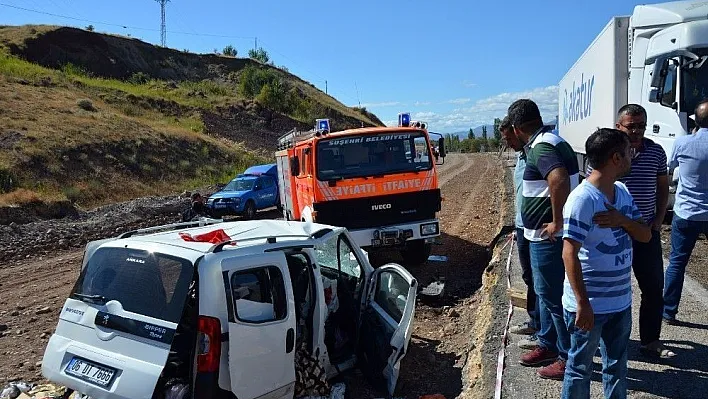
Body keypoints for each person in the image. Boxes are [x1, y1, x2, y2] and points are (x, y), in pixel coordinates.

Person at [561, 128, 652, 399]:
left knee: (616, 366)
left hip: (620, 303)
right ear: (615, 158)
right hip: (590, 306)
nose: (631, 156)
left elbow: (645, 235)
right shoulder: (582, 199)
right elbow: (569, 254)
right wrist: (582, 304)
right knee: (580, 368)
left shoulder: (621, 192)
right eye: (628, 152)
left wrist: (622, 220)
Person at [587, 104, 673, 358]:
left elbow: (662, 187)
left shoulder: (656, 153)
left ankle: (650, 340)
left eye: (641, 126)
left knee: (653, 286)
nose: (636, 131)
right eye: (631, 126)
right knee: (606, 287)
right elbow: (595, 185)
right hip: (612, 232)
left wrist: (658, 219)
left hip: (645, 231)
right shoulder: (610, 154)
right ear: (619, 127)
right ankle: (599, 340)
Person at [509, 99, 579, 380]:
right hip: (540, 236)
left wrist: (557, 222)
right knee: (545, 294)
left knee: (552, 297)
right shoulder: (548, 140)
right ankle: (549, 344)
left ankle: (566, 357)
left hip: (546, 239)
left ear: (516, 127)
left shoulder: (542, 146)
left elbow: (559, 178)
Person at [663, 99, 708, 324]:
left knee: (677, 263)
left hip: (687, 211)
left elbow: (671, 167)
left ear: (696, 121)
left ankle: (669, 311)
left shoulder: (683, 143)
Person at [500, 116, 541, 348]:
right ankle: (535, 321)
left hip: (535, 229)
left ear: (517, 131)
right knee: (529, 278)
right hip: (522, 226)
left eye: (508, 139)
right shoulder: (521, 156)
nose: (508, 144)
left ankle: (544, 334)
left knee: (540, 281)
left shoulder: (537, 155)